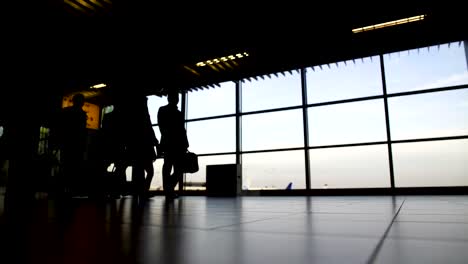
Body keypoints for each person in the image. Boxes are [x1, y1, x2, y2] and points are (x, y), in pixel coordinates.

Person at [124, 94, 159, 200]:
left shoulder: (133, 115)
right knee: (149, 171)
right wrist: (155, 142)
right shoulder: (144, 114)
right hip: (145, 146)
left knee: (139, 169)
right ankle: (143, 191)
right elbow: (149, 129)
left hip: (136, 146)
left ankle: (140, 191)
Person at [158, 90, 189, 200]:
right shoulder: (178, 113)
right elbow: (181, 130)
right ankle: (169, 188)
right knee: (177, 168)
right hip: (177, 144)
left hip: (169, 143)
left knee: (168, 166)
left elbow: (162, 127)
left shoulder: (162, 110)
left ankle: (168, 189)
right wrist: (185, 143)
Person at [56, 93, 88, 197]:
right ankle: (72, 189)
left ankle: (62, 189)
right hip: (77, 145)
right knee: (75, 166)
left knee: (65, 165)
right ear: (82, 102)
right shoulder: (83, 115)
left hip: (66, 143)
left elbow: (60, 128)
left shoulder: (65, 112)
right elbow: (83, 132)